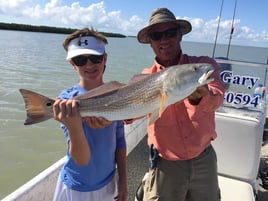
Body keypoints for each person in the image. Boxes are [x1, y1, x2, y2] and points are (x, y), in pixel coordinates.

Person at [136, 7, 225, 201]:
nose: (164, 40)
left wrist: (199, 97)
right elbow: (129, 116)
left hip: (204, 158)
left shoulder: (202, 66)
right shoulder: (145, 78)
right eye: (157, 35)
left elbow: (217, 97)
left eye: (170, 33)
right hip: (165, 164)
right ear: (150, 42)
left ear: (180, 35)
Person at [52, 28, 127, 201]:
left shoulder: (117, 93)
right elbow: (81, 159)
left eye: (95, 58)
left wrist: (122, 181)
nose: (89, 65)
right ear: (72, 63)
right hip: (76, 186)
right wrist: (74, 126)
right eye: (80, 60)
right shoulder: (67, 101)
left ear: (105, 58)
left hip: (109, 183)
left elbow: (120, 141)